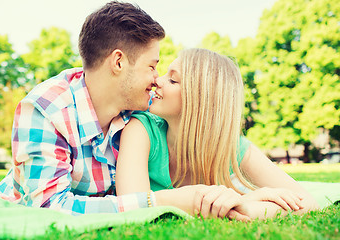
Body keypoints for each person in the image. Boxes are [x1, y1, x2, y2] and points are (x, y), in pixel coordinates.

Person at [0, 1, 171, 215]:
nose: (156, 79)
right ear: (118, 62)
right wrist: (156, 202)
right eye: (151, 66)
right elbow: (49, 207)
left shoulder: (139, 107)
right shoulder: (46, 109)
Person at [116, 48, 320, 220]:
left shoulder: (232, 146)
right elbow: (132, 205)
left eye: (172, 80)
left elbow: (308, 202)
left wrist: (245, 207)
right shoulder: (141, 129)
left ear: (200, 100)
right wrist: (244, 199)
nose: (157, 81)